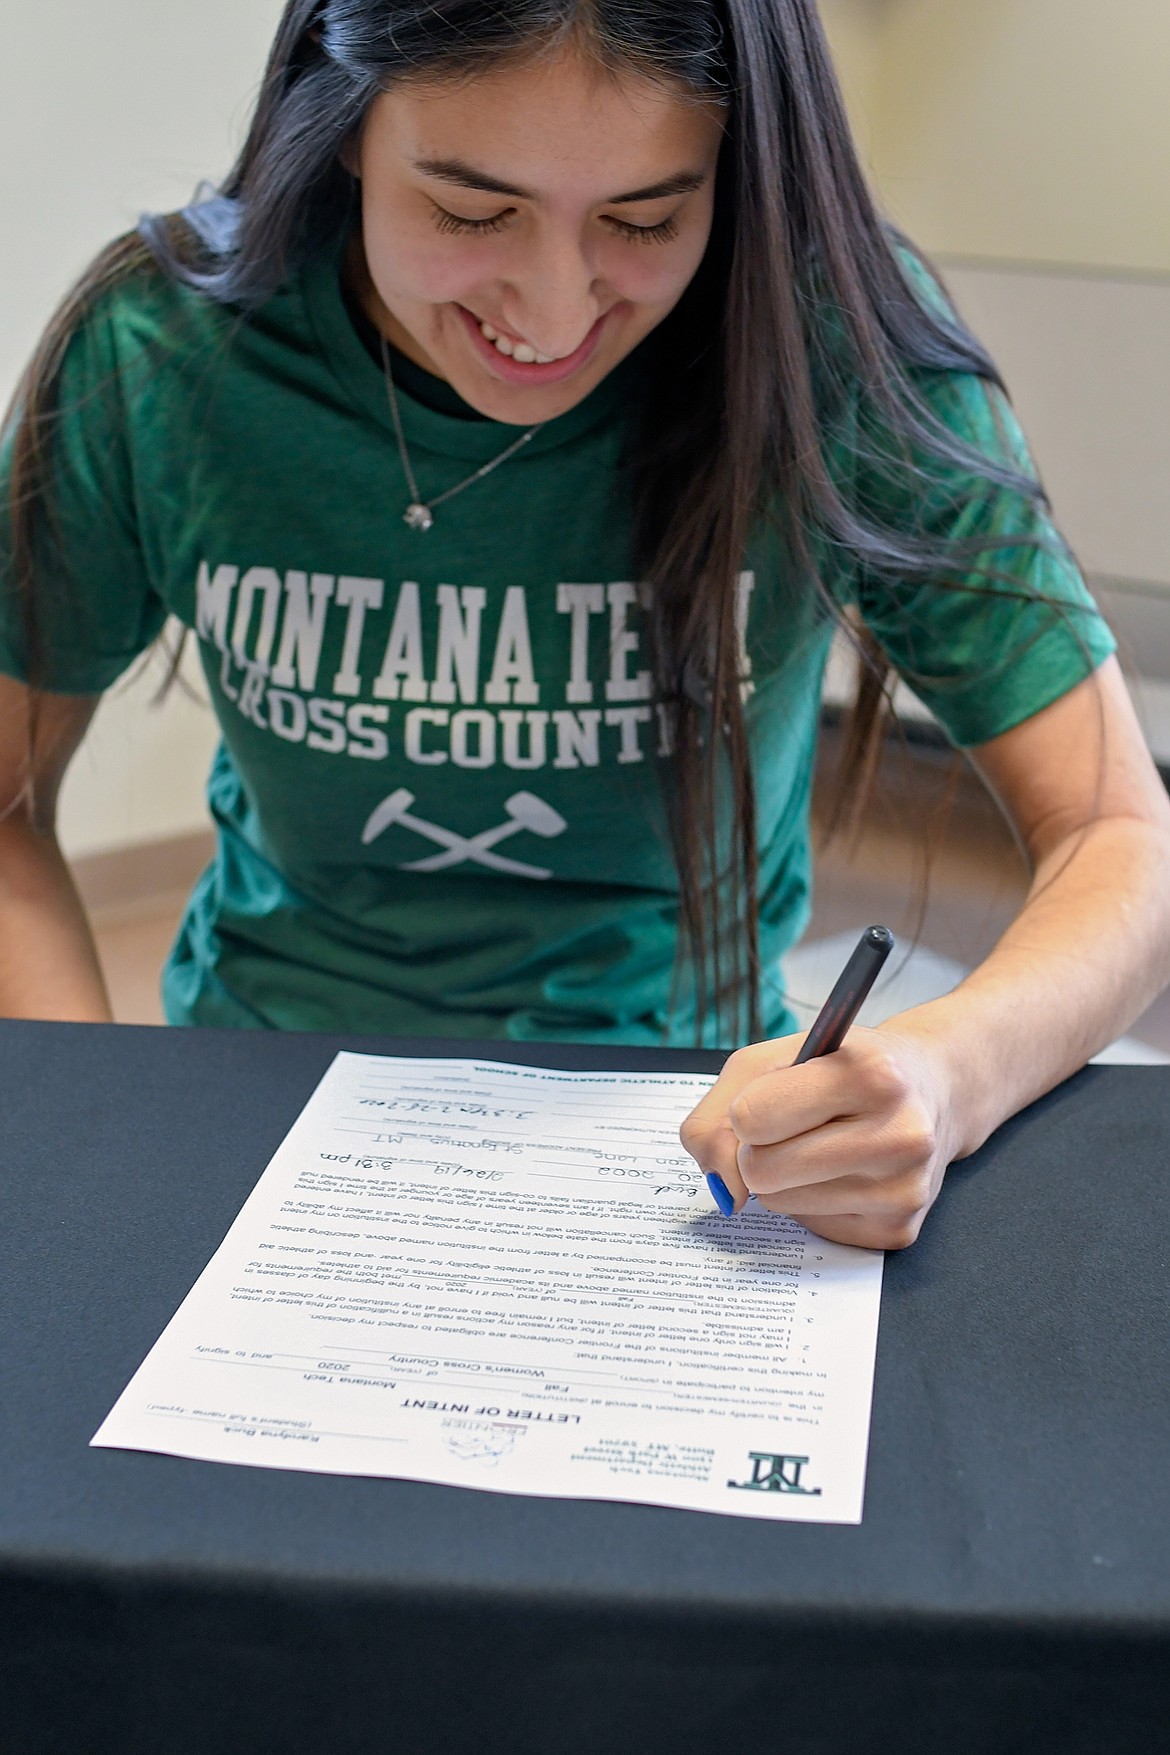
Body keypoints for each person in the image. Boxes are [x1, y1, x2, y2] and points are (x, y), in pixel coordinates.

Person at [2, 0, 1168, 1250]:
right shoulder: (165, 354)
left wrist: (948, 1075)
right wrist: (92, 1130)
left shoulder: (824, 346)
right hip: (258, 1103)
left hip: (687, 1140)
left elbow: (1117, 834)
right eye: (469, 211)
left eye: (646, 219)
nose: (553, 318)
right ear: (336, 127)